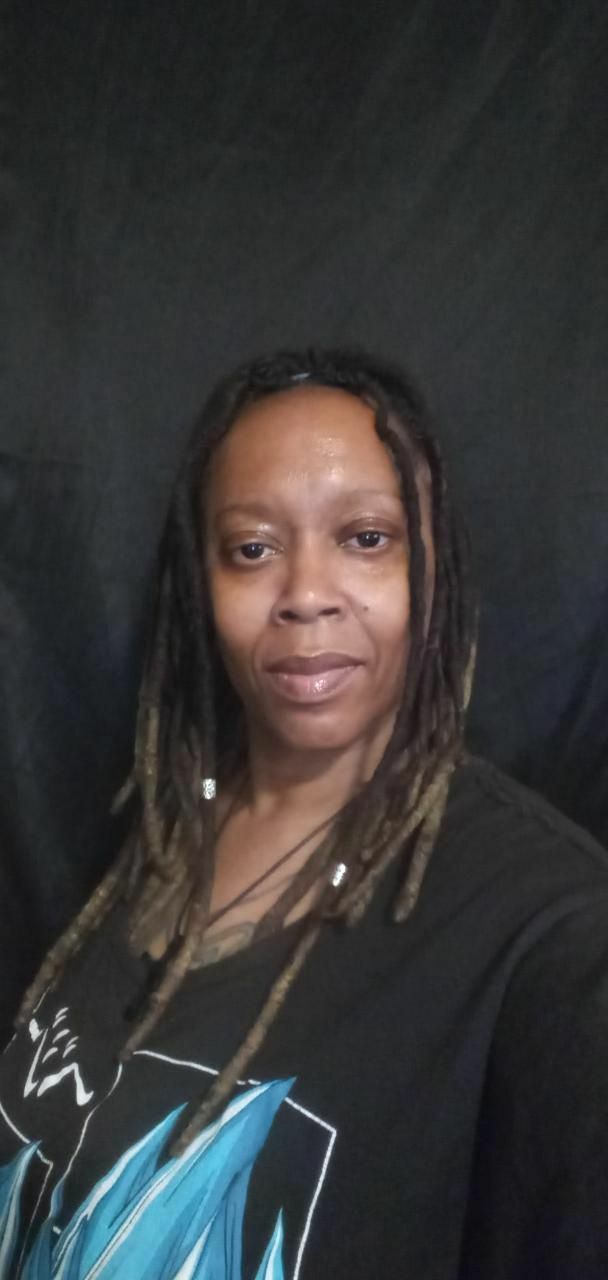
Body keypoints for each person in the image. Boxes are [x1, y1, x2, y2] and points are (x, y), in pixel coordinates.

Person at [0, 347, 607, 1279]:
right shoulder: (168, 827)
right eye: (253, 549)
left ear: (435, 567)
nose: (307, 596)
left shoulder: (550, 932)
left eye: (366, 537)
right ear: (201, 585)